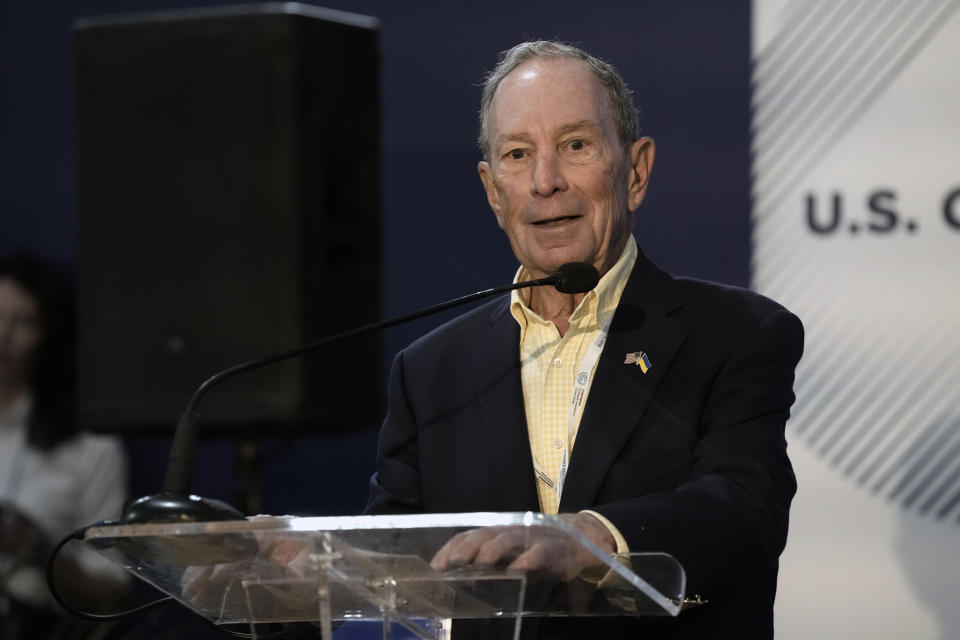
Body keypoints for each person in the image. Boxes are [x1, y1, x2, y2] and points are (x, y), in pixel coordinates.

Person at [365, 41, 804, 638]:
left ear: (636, 170)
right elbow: (390, 567)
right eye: (518, 155)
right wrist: (275, 574)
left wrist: (587, 538)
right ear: (494, 191)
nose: (545, 182)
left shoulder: (736, 334)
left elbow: (745, 507)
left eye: (575, 146)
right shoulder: (431, 371)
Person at [0, 253, 129, 639]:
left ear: (48, 335)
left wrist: (40, 551)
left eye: (22, 322)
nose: (2, 335)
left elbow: (112, 595)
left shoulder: (89, 446)